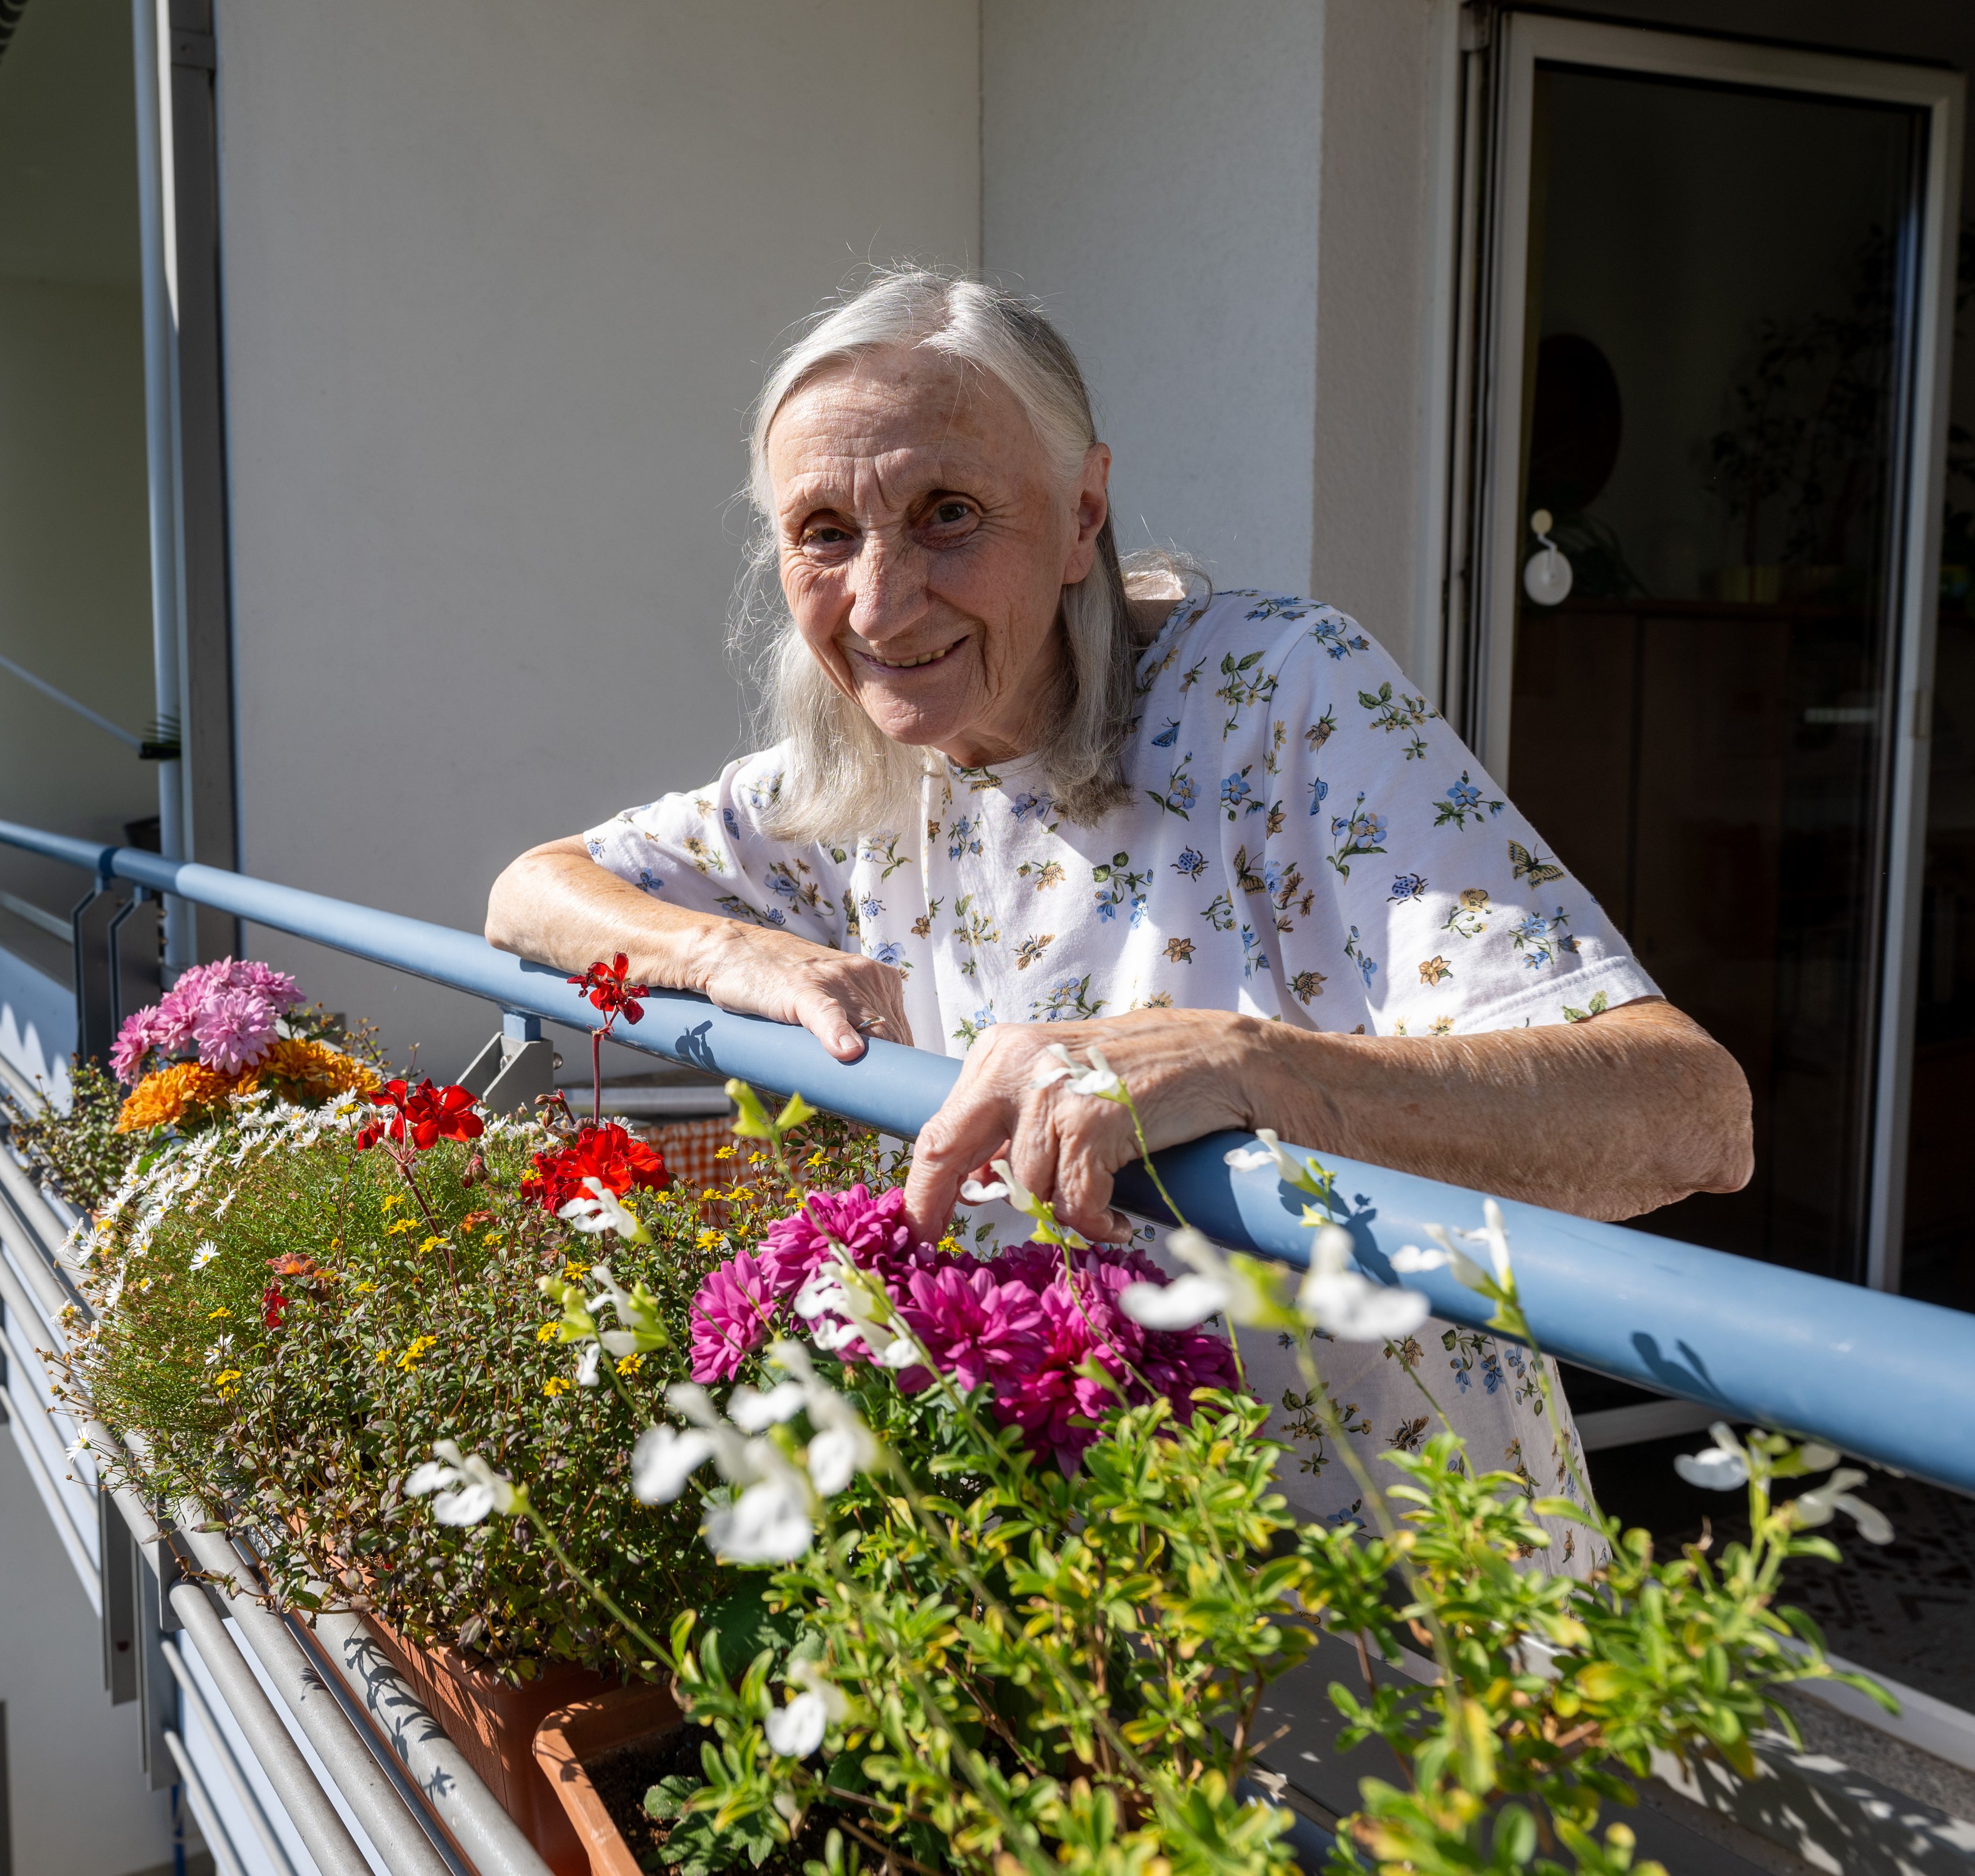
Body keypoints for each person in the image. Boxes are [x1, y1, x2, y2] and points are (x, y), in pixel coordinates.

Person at [484, 268, 1751, 1540]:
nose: (879, 602)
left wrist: (1248, 1066)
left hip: (1401, 1594)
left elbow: (1690, 1115)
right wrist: (730, 954)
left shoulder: (1278, 697)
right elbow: (532, 890)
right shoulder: (857, 771)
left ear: (1082, 512)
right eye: (825, 532)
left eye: (948, 514)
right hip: (1079, 1606)